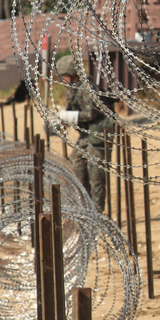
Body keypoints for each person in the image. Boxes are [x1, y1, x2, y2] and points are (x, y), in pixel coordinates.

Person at [53, 54, 116, 209]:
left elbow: (90, 114)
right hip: (85, 136)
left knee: (96, 178)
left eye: (64, 76)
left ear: (73, 73)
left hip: (98, 135)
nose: (63, 79)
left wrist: (69, 116)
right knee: (76, 168)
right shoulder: (72, 90)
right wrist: (59, 120)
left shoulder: (88, 89)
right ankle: (83, 208)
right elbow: (71, 113)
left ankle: (97, 212)